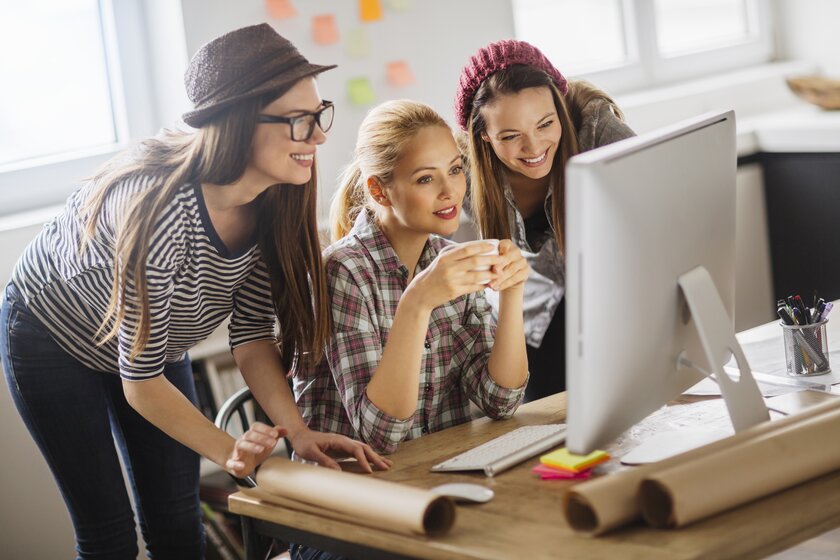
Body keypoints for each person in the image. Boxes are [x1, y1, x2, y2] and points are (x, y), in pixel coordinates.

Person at [0, 23, 387, 560]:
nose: (318, 137)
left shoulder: (275, 198)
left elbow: (251, 337)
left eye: (318, 115)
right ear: (238, 122)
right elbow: (142, 385)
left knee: (177, 526)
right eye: (299, 122)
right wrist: (234, 453)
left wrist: (297, 432)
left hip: (153, 351)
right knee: (109, 535)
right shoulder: (159, 213)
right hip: (53, 342)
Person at [293, 99, 530, 458]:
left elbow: (501, 400)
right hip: (360, 490)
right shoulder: (343, 272)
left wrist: (512, 294)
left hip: (437, 471)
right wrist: (417, 302)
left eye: (454, 170)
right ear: (379, 191)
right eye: (425, 178)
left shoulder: (448, 260)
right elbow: (380, 435)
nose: (449, 191)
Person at [454, 39, 636, 401]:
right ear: (483, 137)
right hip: (537, 316)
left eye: (545, 124)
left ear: (559, 108)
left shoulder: (594, 127)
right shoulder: (464, 172)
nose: (534, 147)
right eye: (510, 136)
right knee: (550, 427)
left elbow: (658, 198)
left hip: (613, 298)